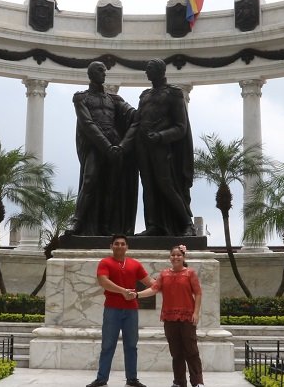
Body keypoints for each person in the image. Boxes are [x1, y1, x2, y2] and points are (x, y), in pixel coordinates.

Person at [71, 61, 137, 235]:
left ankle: (107, 226)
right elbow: (87, 124)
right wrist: (106, 146)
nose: (104, 74)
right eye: (100, 70)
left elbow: (132, 114)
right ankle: (77, 222)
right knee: (89, 180)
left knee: (112, 186)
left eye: (105, 71)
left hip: (114, 146)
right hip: (96, 146)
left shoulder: (113, 99)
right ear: (91, 73)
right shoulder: (81, 98)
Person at [131, 59, 195, 236]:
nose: (146, 72)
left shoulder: (174, 93)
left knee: (166, 185)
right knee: (148, 186)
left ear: (160, 70)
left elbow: (181, 127)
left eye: (149, 68)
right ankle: (154, 225)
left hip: (162, 148)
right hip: (143, 147)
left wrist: (160, 136)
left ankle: (187, 224)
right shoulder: (144, 95)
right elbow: (136, 122)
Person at [88, 234, 153, 387]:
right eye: (116, 243)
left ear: (127, 247)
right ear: (111, 246)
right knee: (108, 344)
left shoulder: (135, 264)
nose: (119, 246)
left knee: (131, 345)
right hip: (112, 309)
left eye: (122, 244)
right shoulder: (105, 262)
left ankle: (132, 379)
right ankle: (101, 379)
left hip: (131, 310)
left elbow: (150, 282)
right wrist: (123, 291)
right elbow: (104, 281)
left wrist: (167, 280)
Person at [137, 245, 204, 387]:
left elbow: (198, 293)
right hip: (169, 318)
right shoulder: (164, 274)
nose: (175, 257)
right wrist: (137, 295)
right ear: (170, 257)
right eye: (173, 255)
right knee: (176, 352)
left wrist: (196, 313)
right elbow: (153, 289)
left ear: (183, 257)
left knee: (191, 350)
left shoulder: (190, 273)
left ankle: (197, 382)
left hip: (187, 317)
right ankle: (179, 382)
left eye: (178, 255)